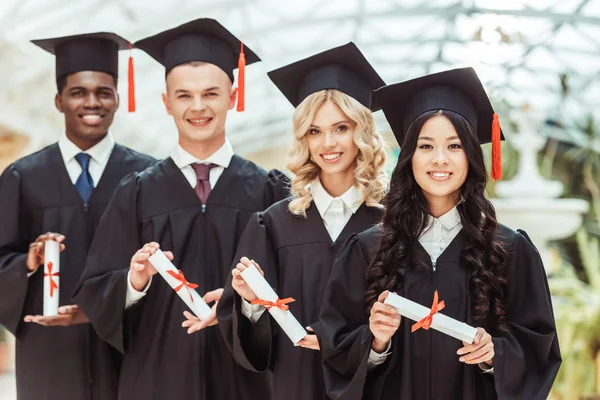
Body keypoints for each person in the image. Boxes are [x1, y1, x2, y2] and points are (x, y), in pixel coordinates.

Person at [72, 18, 289, 399]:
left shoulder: (269, 190)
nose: (198, 106)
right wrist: (134, 281)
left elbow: (293, 285)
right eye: (184, 95)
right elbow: (94, 289)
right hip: (157, 379)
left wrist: (248, 300)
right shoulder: (136, 192)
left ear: (233, 97)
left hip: (244, 380)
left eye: (211, 93)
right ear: (167, 102)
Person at [319, 67, 561, 400]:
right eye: (426, 146)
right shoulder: (367, 248)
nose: (440, 160)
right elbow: (335, 347)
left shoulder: (509, 249)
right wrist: (374, 342)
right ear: (409, 156)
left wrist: (495, 356)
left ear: (471, 156)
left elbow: (538, 347)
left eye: (454, 146)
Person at [213, 42, 388, 400]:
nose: (328, 142)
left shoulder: (392, 223)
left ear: (362, 131)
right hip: (295, 384)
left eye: (341, 128)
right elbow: (244, 333)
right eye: (314, 131)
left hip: (376, 384)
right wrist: (249, 303)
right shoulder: (273, 224)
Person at [0, 32, 155, 400]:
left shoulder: (148, 177)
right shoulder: (22, 177)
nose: (92, 102)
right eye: (78, 92)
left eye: (104, 92)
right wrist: (29, 262)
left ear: (117, 99)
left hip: (125, 349)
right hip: (49, 352)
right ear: (59, 100)